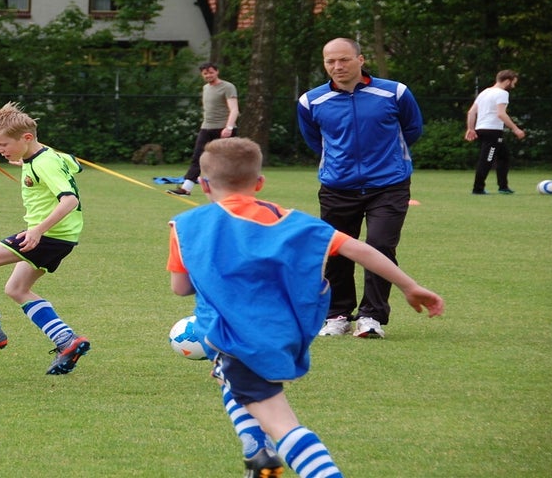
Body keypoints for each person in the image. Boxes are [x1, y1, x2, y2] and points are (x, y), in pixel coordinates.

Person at [168, 137, 445, 478]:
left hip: (239, 338)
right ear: (259, 182)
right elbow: (359, 249)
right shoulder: (294, 223)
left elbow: (180, 288)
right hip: (284, 334)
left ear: (204, 184)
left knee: (282, 423)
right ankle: (258, 453)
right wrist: (409, 286)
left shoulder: (188, 225)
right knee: (232, 379)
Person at [0, 102, 92, 375]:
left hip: (49, 235)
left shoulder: (45, 162)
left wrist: (37, 230)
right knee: (17, 289)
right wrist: (25, 157)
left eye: (3, 144)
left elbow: (70, 200)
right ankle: (67, 340)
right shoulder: (46, 157)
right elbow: (74, 164)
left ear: (26, 138)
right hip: (63, 237)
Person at [297, 38, 423, 338]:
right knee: (337, 250)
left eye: (344, 59)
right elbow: (315, 140)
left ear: (360, 59)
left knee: (380, 246)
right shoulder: (311, 101)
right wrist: (340, 164)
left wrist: (386, 159)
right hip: (337, 187)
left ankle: (371, 317)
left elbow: (412, 129)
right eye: (330, 61)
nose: (337, 66)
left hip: (389, 185)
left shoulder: (395, 92)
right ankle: (337, 315)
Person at [168, 61, 239, 196]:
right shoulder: (206, 88)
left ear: (217, 72)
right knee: (198, 157)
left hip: (223, 129)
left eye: (211, 72)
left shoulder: (228, 87)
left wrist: (228, 127)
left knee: (227, 161)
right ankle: (185, 188)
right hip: (206, 128)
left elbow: (234, 109)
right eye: (205, 73)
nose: (208, 75)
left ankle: (235, 188)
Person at [465, 70, 525, 195]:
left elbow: (471, 112)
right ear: (507, 81)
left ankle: (503, 187)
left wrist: (471, 128)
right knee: (487, 159)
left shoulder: (485, 92)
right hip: (492, 131)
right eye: (513, 83)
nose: (513, 86)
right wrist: (516, 129)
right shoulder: (502, 93)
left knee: (504, 156)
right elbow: (501, 114)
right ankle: (478, 188)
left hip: (482, 129)